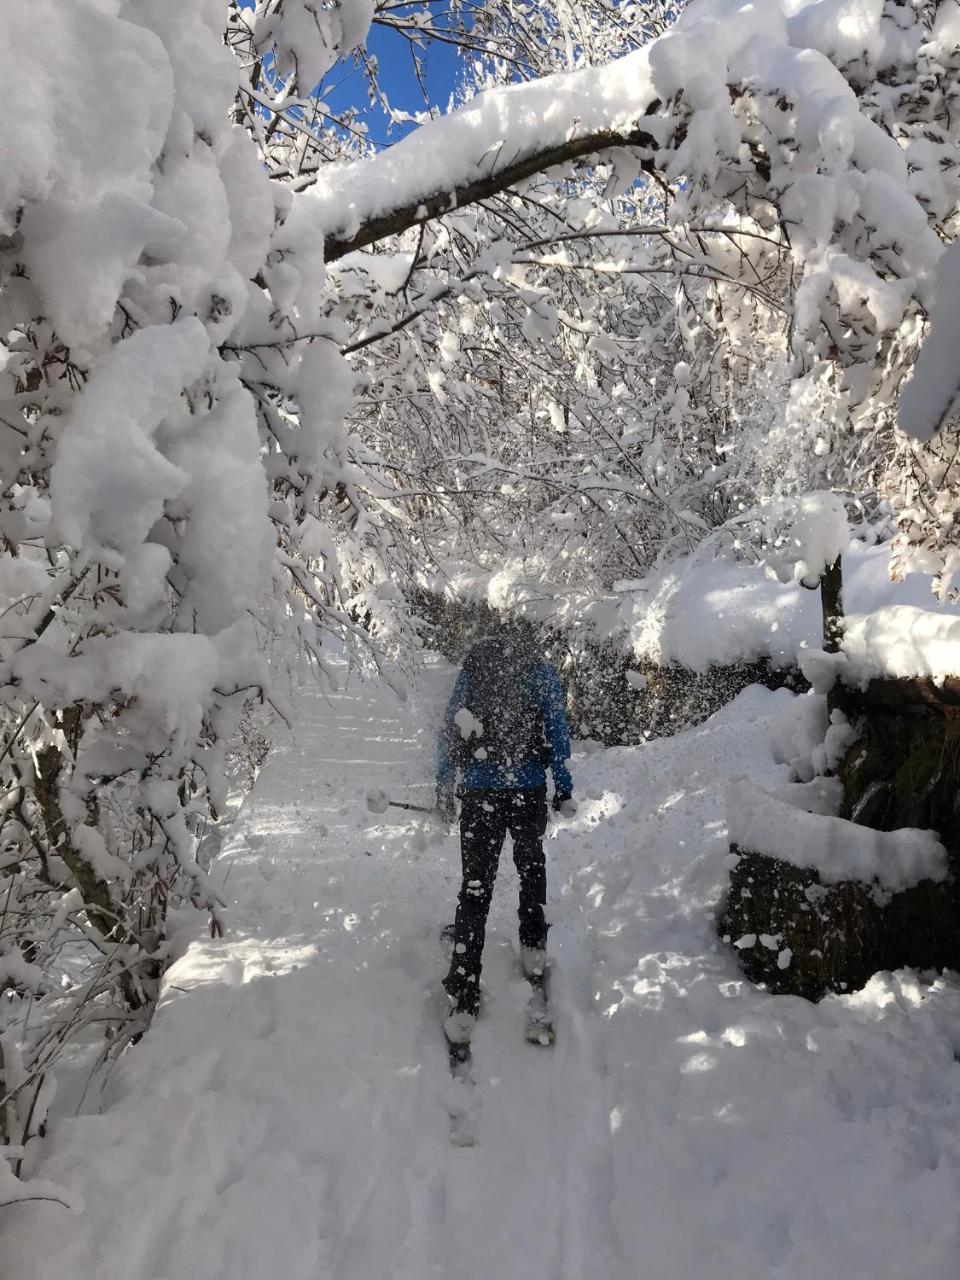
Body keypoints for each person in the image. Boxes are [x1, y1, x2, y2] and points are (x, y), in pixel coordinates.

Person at [436, 620, 574, 1034]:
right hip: (527, 790)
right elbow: (557, 731)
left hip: (480, 794)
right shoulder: (541, 672)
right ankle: (533, 946)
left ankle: (464, 988)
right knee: (531, 868)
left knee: (475, 886)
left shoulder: (475, 670)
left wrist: (444, 783)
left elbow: (450, 728)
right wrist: (563, 788)